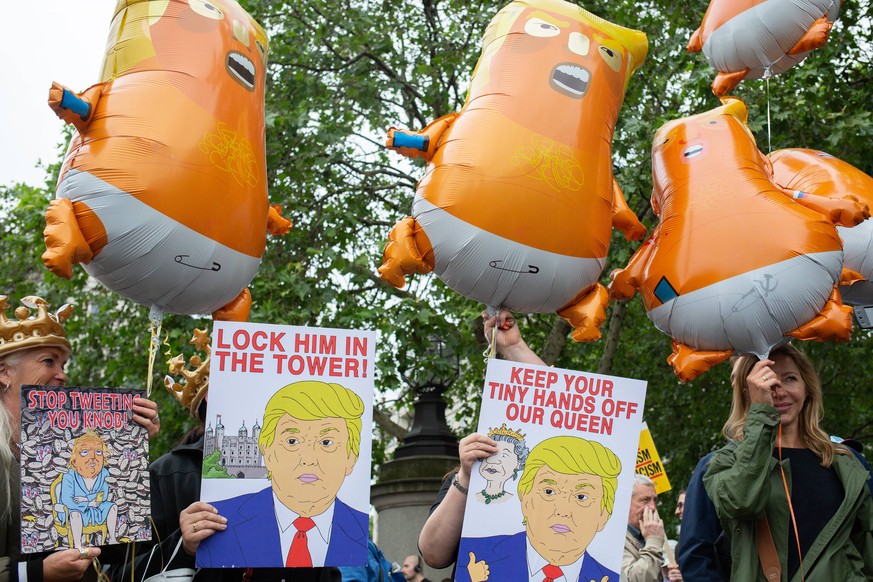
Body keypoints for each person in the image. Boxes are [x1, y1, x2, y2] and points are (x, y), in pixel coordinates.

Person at [109, 329, 339, 582]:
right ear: (211, 394)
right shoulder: (165, 476)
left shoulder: (304, 473)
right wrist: (183, 547)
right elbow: (117, 574)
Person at [0, 294, 160, 582]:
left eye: (63, 365)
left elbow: (117, 550)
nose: (61, 375)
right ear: (4, 372)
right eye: (49, 361)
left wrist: (132, 446)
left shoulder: (67, 444)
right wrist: (36, 573)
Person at [703, 344, 873, 580]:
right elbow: (742, 502)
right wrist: (762, 414)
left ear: (807, 389)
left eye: (790, 378)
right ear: (748, 393)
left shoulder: (844, 462)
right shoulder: (726, 461)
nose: (779, 390)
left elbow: (865, 543)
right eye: (767, 382)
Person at [197, 380, 368, 567]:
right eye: (292, 441)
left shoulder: (360, 532)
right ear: (266, 451)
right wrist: (187, 547)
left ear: (352, 457)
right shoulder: (218, 518)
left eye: (326, 442)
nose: (308, 459)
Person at [459, 435, 620, 582]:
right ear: (525, 498)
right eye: (549, 492)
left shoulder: (610, 578)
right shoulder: (473, 557)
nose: (563, 511)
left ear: (604, 515)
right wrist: (464, 477)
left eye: (581, 497)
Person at [59, 431, 118, 550]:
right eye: (85, 452)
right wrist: (87, 503)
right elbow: (67, 500)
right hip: (76, 510)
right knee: (75, 514)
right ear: (75, 461)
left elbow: (103, 494)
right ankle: (78, 545)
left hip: (96, 508)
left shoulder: (104, 474)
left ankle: (112, 537)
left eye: (98, 452)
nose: (93, 457)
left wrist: (86, 499)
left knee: (112, 506)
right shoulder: (69, 477)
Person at [623, 474, 682, 582]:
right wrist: (654, 541)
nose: (653, 507)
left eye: (655, 500)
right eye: (645, 500)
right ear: (626, 503)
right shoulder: (616, 540)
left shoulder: (644, 536)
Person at [474, 424, 528, 506]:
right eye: (491, 452)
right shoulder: (468, 494)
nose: (493, 461)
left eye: (504, 455)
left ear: (518, 464)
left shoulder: (517, 505)